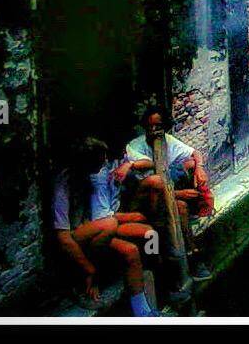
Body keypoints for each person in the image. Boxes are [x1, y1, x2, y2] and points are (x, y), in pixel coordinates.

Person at [54, 137, 160, 316]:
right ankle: (90, 275)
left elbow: (149, 164)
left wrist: (130, 166)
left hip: (98, 226)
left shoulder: (105, 168)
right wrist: (90, 269)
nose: (103, 164)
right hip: (81, 233)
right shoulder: (68, 184)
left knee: (133, 250)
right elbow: (64, 237)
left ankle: (144, 311)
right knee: (127, 227)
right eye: (99, 162)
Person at [114, 107, 212, 281]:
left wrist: (200, 168)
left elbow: (193, 153)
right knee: (160, 218)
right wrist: (178, 194)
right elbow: (152, 182)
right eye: (150, 127)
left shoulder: (167, 140)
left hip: (162, 199)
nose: (153, 131)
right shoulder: (134, 147)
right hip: (142, 202)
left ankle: (190, 255)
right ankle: (161, 268)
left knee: (181, 206)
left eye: (158, 126)